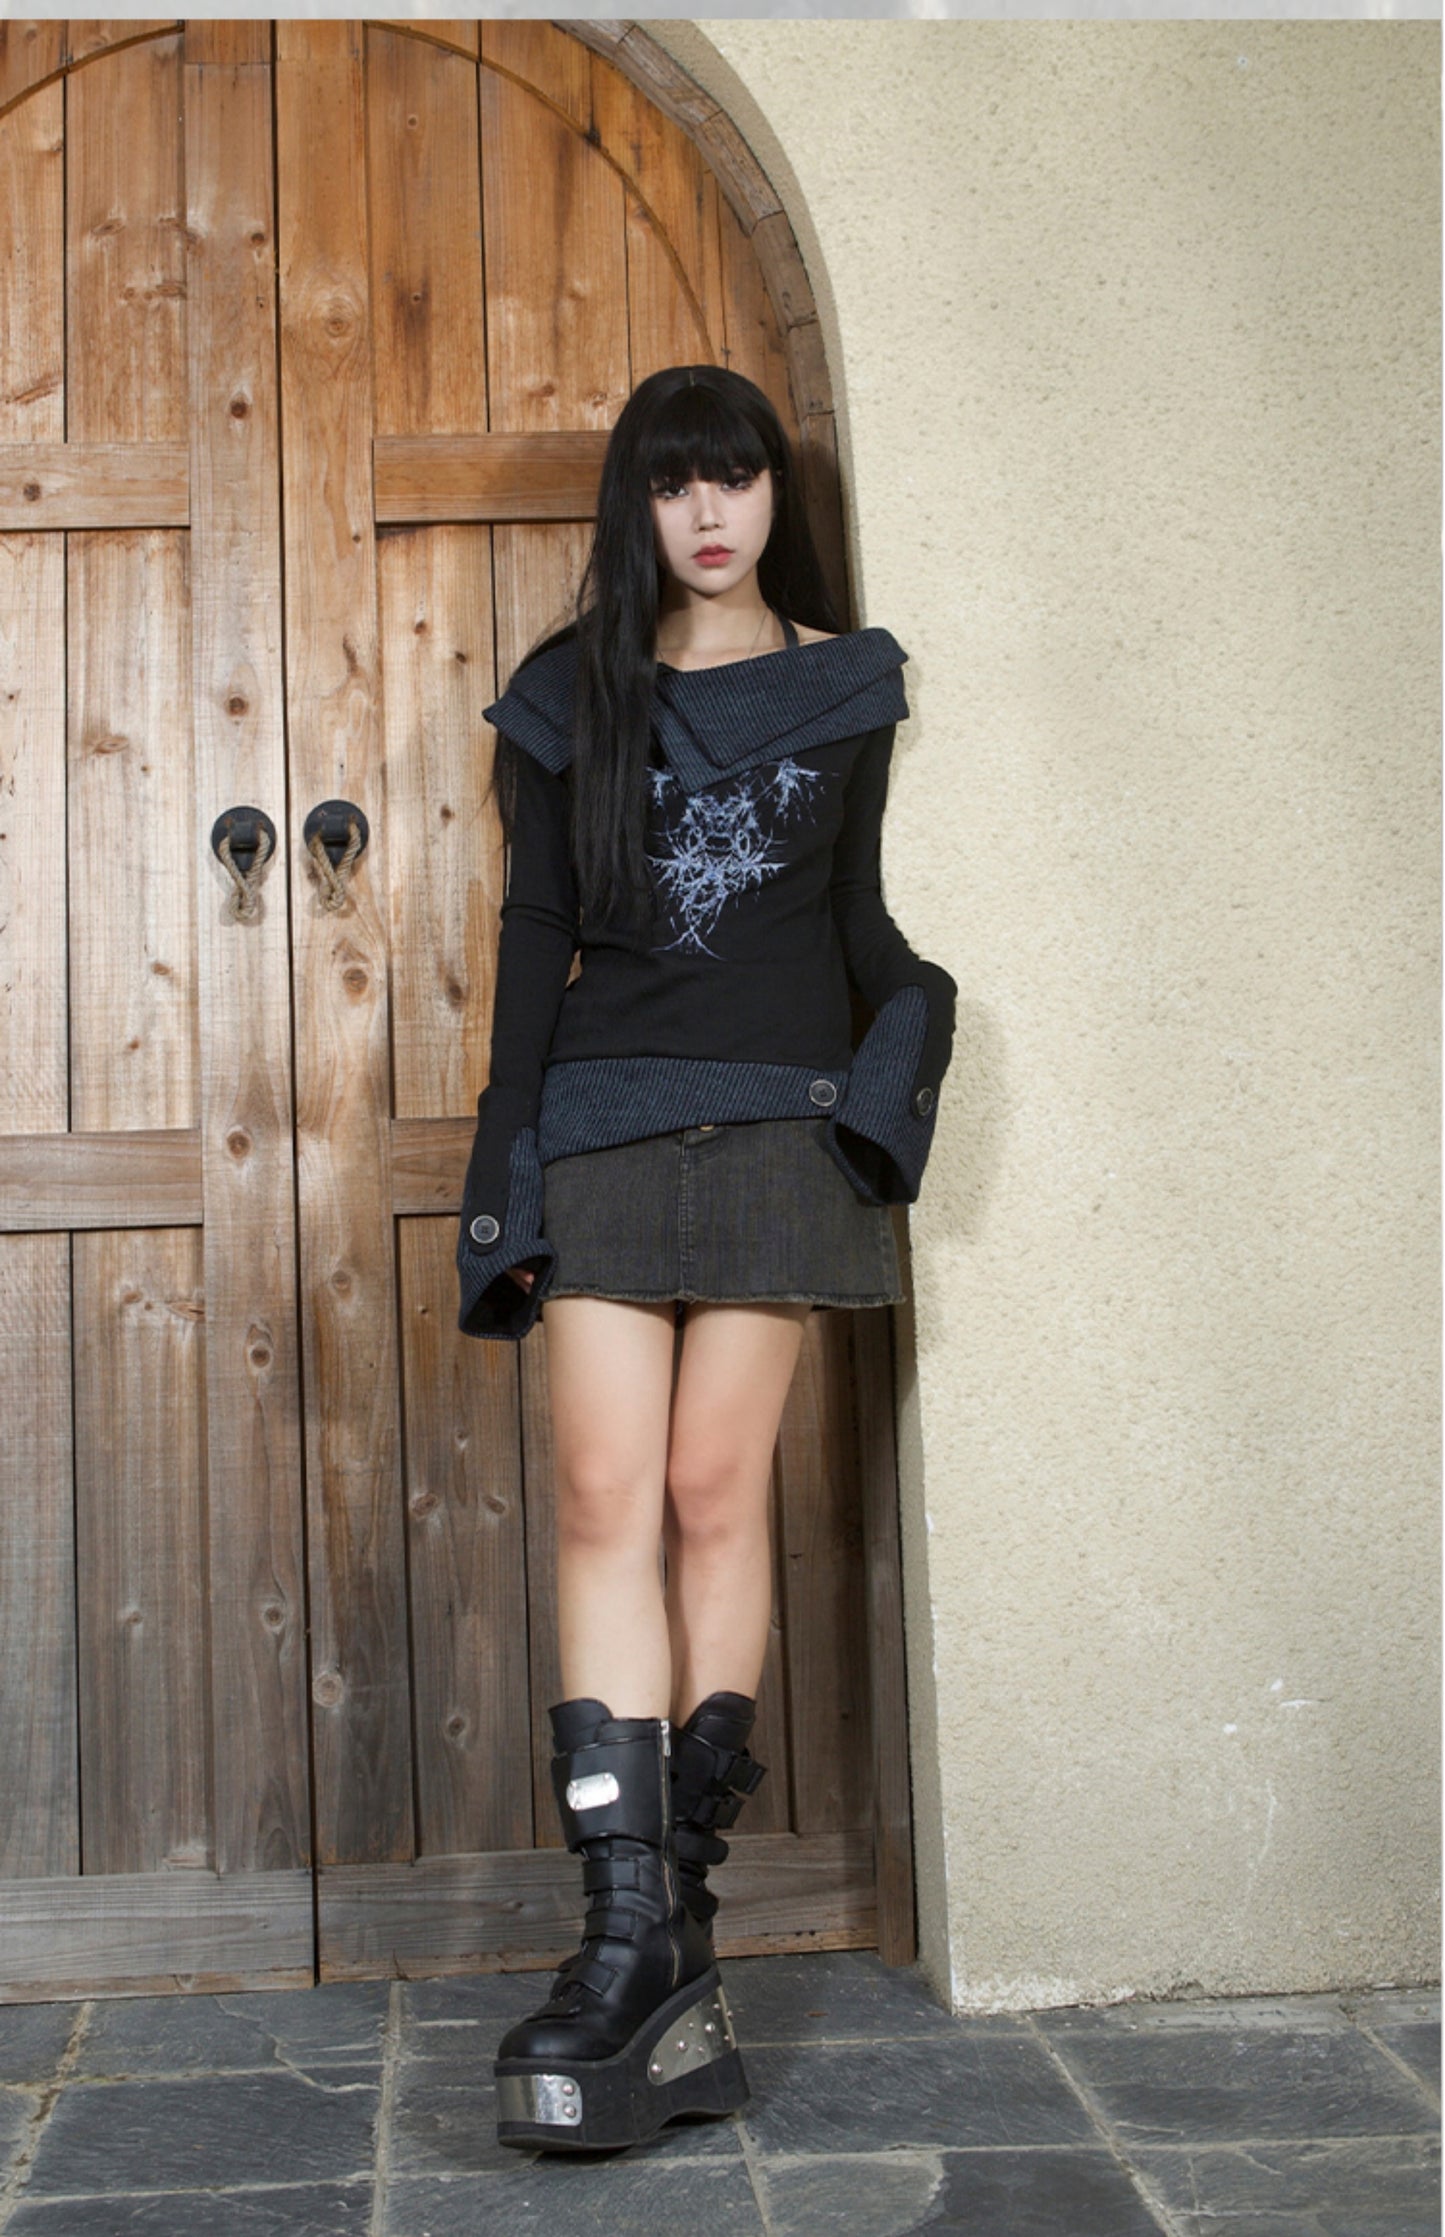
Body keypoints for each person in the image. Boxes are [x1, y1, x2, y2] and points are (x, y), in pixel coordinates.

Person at [455, 364, 958, 2153]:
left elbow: (854, 917)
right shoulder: (571, 692)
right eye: (674, 485)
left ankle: (670, 1928)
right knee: (605, 1492)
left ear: (768, 493)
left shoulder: (843, 684)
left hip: (774, 1129)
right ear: (640, 507)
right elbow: (533, 929)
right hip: (602, 1121)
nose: (708, 512)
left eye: (732, 477)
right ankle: (623, 1934)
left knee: (708, 1488)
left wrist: (913, 1036)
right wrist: (505, 1154)